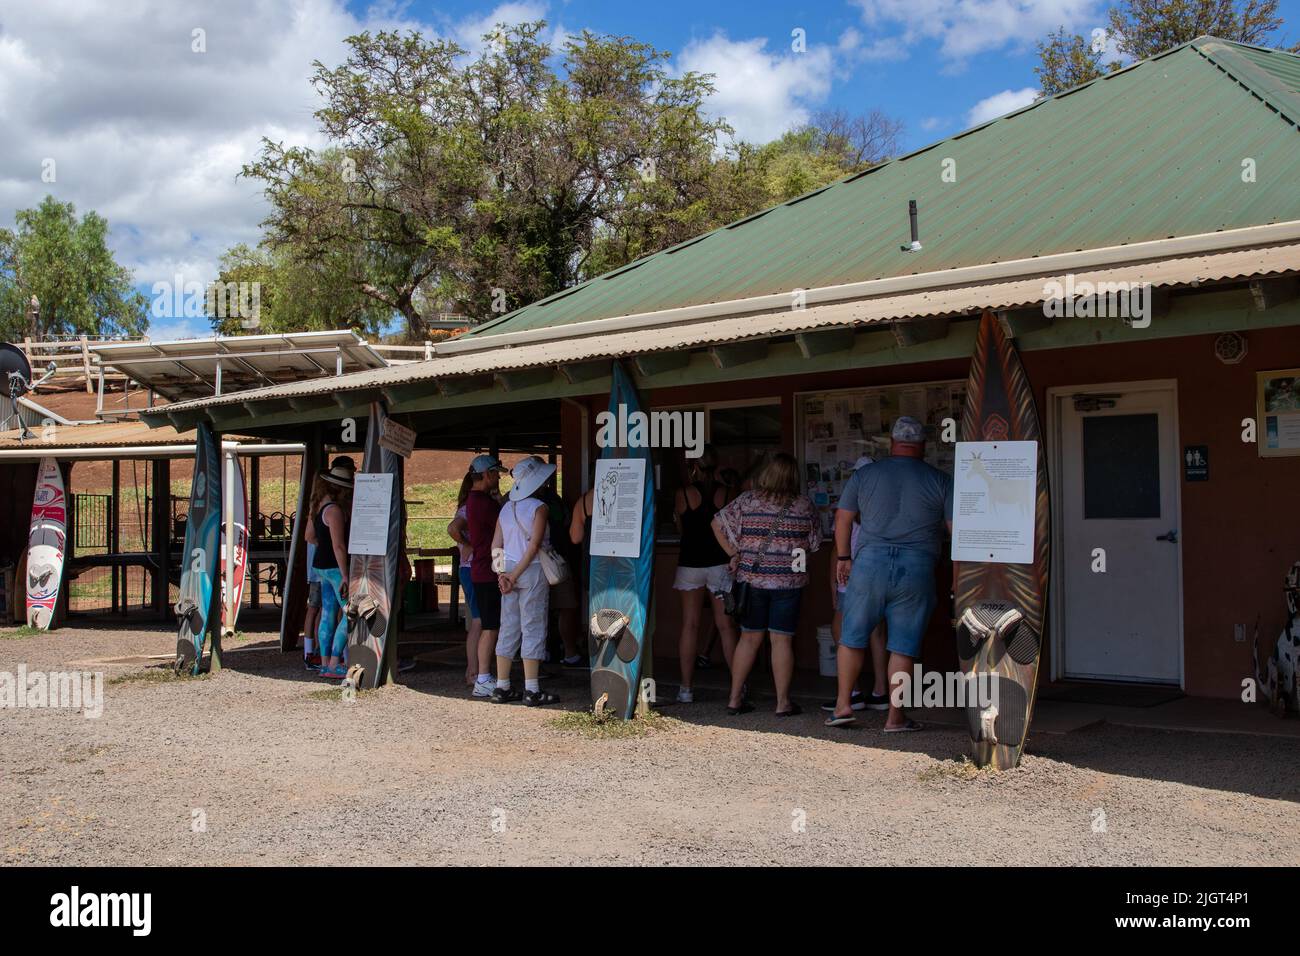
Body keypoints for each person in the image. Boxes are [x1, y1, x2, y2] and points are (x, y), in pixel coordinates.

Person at [827, 416, 953, 732]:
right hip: (918, 566)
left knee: (852, 636)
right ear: (923, 445)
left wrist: (843, 556)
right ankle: (895, 717)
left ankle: (843, 706)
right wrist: (958, 576)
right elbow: (956, 531)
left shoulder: (866, 474)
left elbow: (843, 518)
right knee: (903, 645)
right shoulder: (941, 479)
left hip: (869, 564)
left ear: (892, 443)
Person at [711, 452, 821, 717]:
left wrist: (734, 553)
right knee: (781, 641)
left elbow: (716, 523)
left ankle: (735, 699)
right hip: (789, 583)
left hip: (752, 580)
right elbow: (814, 544)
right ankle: (783, 703)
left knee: (749, 639)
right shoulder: (804, 506)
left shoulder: (747, 501)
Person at [820, 455, 889, 714]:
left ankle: (853, 692)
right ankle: (879, 692)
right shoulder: (883, 509)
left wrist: (833, 588)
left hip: (850, 584)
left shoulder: (849, 511)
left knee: (843, 633)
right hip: (875, 580)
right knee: (876, 633)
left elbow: (836, 553)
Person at [491, 456, 560, 706]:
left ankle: (502, 685)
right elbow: (534, 546)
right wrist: (515, 574)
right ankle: (532, 689)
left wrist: (502, 575)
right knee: (533, 624)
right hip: (529, 570)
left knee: (508, 625)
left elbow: (495, 545)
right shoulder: (539, 508)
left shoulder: (505, 508)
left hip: (507, 571)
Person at [672, 445, 737, 703]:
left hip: (690, 562)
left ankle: (686, 689)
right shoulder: (727, 493)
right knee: (726, 625)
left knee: (690, 624)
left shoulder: (683, 494)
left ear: (694, 466)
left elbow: (680, 528)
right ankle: (738, 686)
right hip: (720, 563)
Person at [304, 461, 353, 679]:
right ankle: (335, 662)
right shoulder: (334, 510)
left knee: (327, 613)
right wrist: (345, 574)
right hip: (334, 567)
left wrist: (321, 547)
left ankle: (324, 664)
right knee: (351, 613)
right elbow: (339, 545)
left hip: (319, 565)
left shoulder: (318, 507)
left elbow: (309, 537)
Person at [464, 454, 505, 700]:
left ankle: (484, 675)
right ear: (487, 474)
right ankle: (483, 677)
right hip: (487, 570)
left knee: (490, 626)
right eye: (496, 473)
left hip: (481, 569)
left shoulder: (473, 499)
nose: (499, 477)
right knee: (491, 628)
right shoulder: (485, 504)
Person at [447, 471, 484, 687]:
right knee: (479, 622)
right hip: (472, 569)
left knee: (477, 622)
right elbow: (453, 528)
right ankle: (473, 670)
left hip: (468, 569)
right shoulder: (468, 509)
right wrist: (468, 545)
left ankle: (474, 669)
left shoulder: (466, 506)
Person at [303, 539, 322, 670]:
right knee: (316, 610)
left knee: (317, 611)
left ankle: (312, 651)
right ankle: (312, 653)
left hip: (315, 571)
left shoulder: (313, 518)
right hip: (320, 570)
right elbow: (310, 537)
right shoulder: (317, 519)